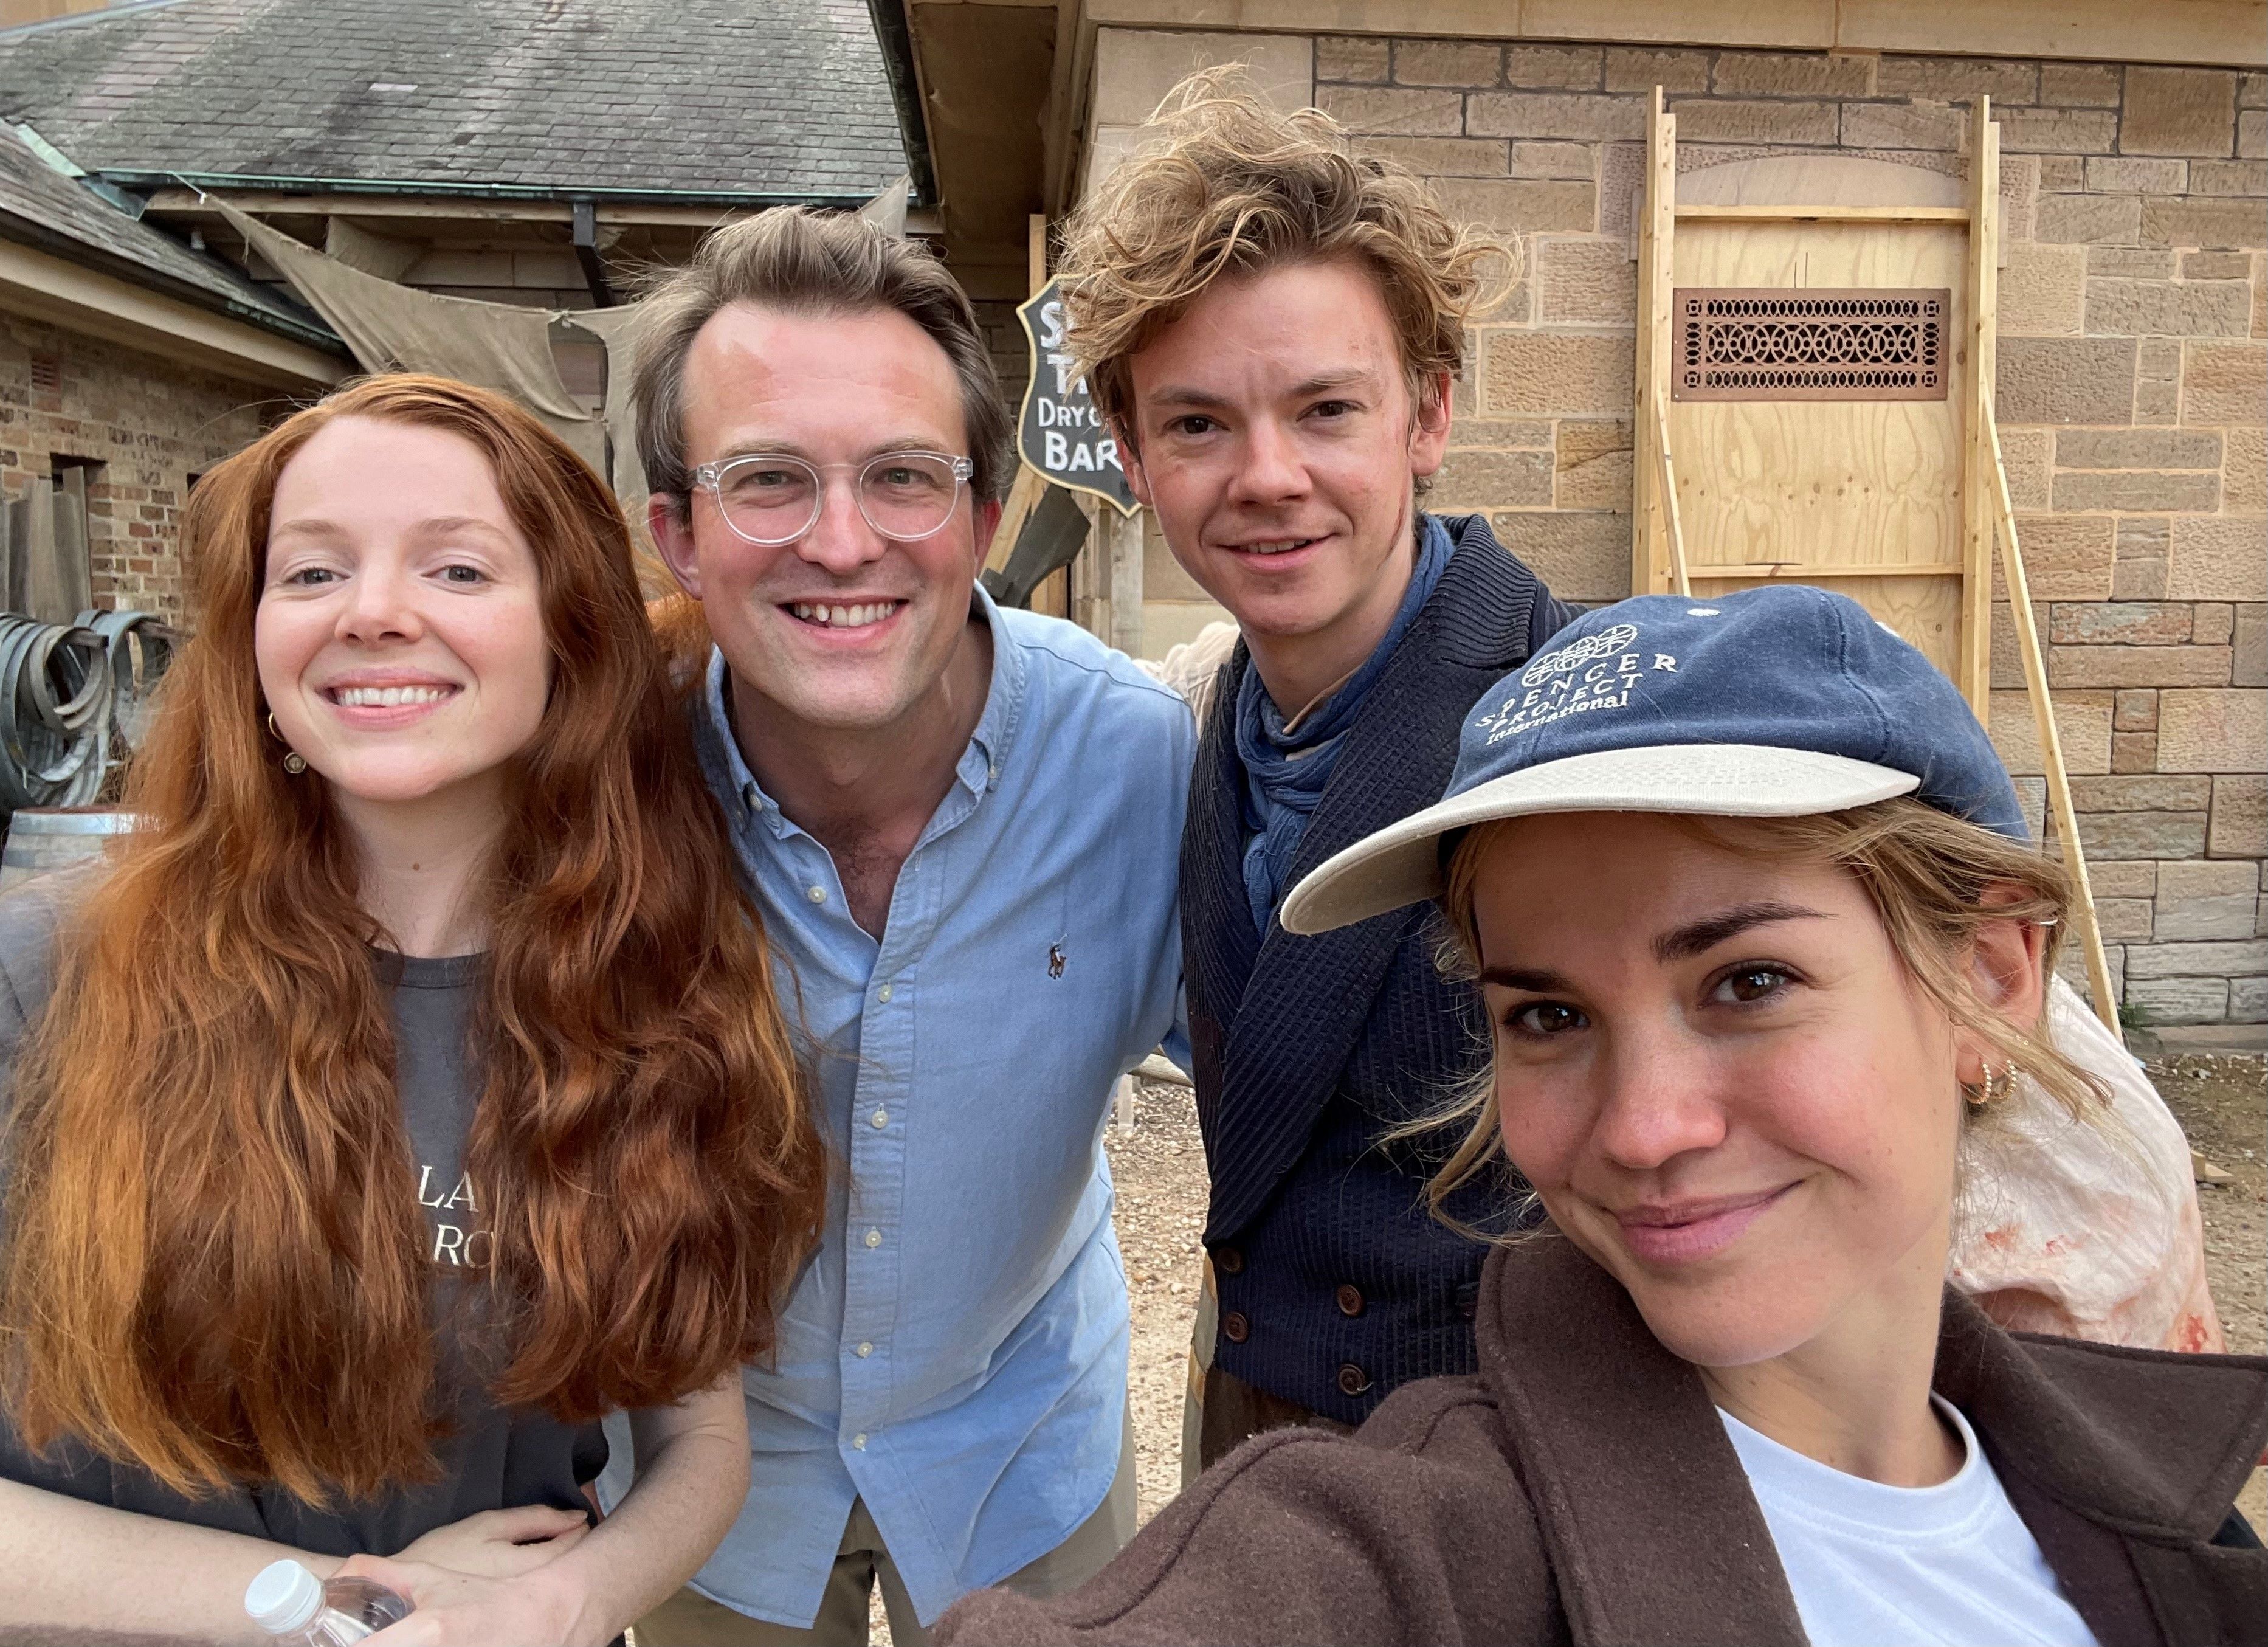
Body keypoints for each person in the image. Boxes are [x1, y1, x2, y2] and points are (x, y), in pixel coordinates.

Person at [937, 584, 2266, 1647]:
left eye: (1747, 982)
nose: (1643, 1127)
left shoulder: (2171, 1528)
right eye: (1549, 1015)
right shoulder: (1425, 1546)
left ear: (1989, 980)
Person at [0, 375, 827, 1646]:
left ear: (571, 635)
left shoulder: (670, 996)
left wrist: (577, 1595)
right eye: (314, 571)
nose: (374, 612)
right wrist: (336, 1609)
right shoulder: (43, 971)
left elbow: (697, 1426)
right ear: (255, 631)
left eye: (454, 570)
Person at [618, 207, 1192, 1645]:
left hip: (1026, 1452)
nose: (840, 540)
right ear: (675, 532)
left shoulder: (1139, 768)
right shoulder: (595, 794)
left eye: (902, 477)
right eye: (766, 480)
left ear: (986, 519)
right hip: (710, 1489)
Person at [1054, 68, 1583, 1469]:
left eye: (1327, 410)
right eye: (1199, 424)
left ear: (1428, 416)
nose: (1267, 475)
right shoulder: (1183, 731)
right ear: (1130, 454)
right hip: (1254, 1430)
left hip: (1511, 1466)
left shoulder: (1596, 720)